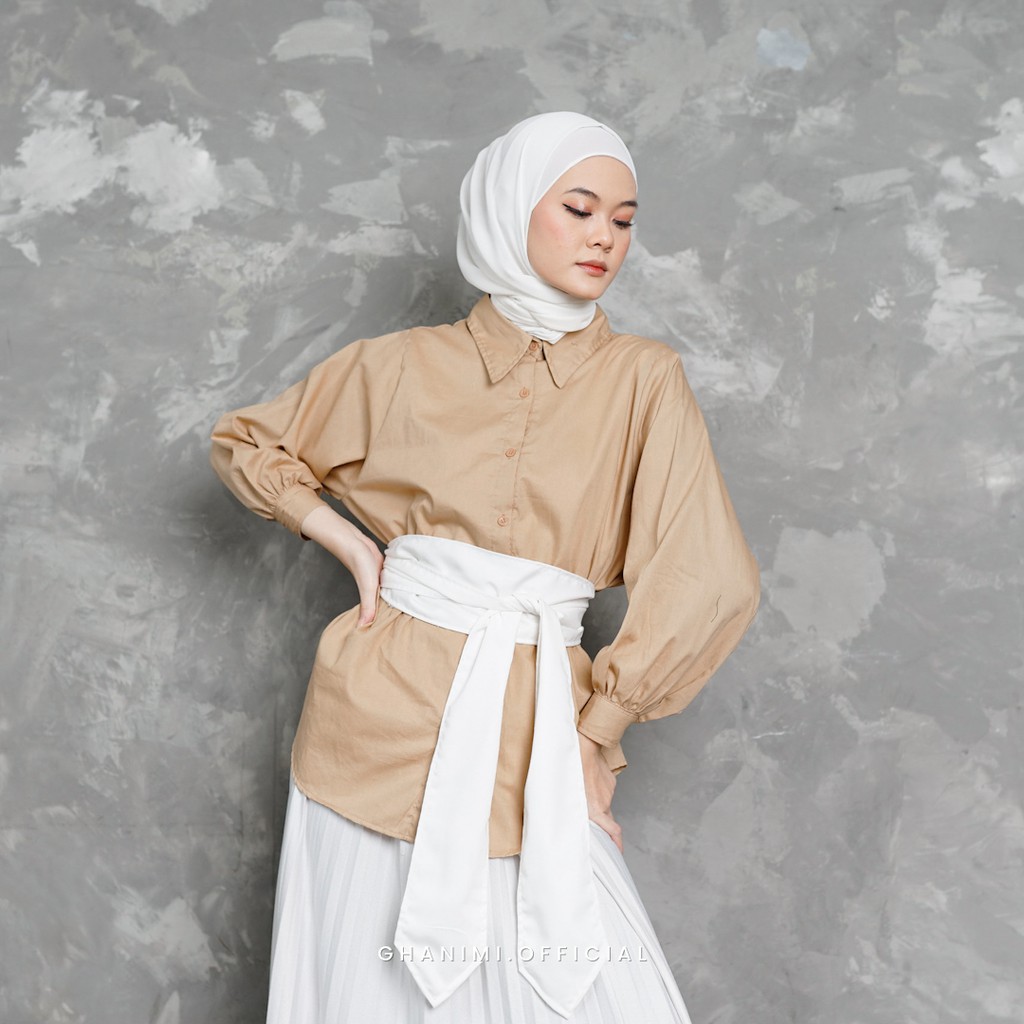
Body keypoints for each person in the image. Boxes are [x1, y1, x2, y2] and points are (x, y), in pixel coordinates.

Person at [209, 110, 761, 1024]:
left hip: (540, 726)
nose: (603, 237)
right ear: (510, 209)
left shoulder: (643, 380)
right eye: (578, 209)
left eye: (623, 220)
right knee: (365, 992)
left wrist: (598, 735)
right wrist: (347, 540)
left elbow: (710, 576)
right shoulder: (400, 366)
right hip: (374, 725)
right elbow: (247, 442)